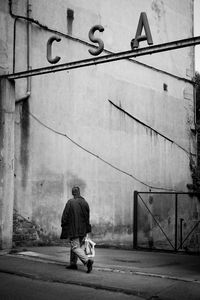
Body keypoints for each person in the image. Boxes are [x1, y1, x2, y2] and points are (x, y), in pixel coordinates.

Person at [60, 186, 93, 273]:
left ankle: (87, 261)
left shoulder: (70, 202)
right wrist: (87, 229)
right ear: (79, 192)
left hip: (73, 229)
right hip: (83, 230)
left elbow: (65, 216)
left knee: (75, 247)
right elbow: (87, 217)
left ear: (72, 193)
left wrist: (63, 225)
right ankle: (73, 264)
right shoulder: (85, 202)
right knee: (76, 246)